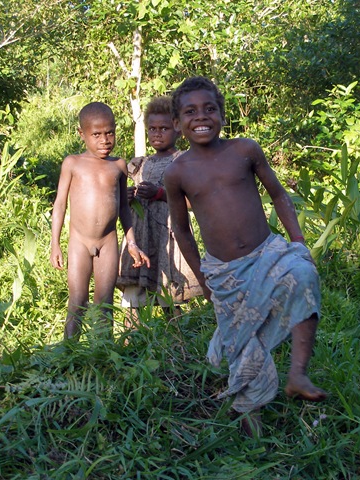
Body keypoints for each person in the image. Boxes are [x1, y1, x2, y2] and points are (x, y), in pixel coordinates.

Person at [164, 76, 327, 435]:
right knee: (241, 345)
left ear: (222, 115)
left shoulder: (244, 150)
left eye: (210, 109)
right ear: (177, 124)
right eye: (190, 112)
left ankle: (298, 374)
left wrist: (298, 241)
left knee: (303, 275)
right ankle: (250, 424)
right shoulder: (177, 173)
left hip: (268, 252)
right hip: (224, 272)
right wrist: (203, 279)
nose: (201, 117)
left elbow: (279, 194)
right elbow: (182, 231)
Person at [50, 102, 150, 340]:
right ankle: (69, 350)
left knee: (104, 302)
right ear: (81, 134)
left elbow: (123, 208)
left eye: (110, 133)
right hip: (79, 242)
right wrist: (55, 244)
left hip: (107, 243)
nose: (104, 140)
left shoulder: (118, 165)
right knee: (78, 300)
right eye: (96, 134)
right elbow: (60, 204)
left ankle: (103, 350)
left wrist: (132, 243)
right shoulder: (72, 163)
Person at [116, 97, 203, 326]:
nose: (157, 134)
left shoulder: (184, 161)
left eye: (164, 129)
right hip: (141, 236)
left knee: (170, 295)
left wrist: (161, 194)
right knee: (134, 296)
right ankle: (132, 340)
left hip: (168, 236)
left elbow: (195, 202)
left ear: (178, 129)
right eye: (152, 129)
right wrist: (126, 198)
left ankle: (177, 342)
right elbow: (119, 201)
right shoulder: (138, 164)